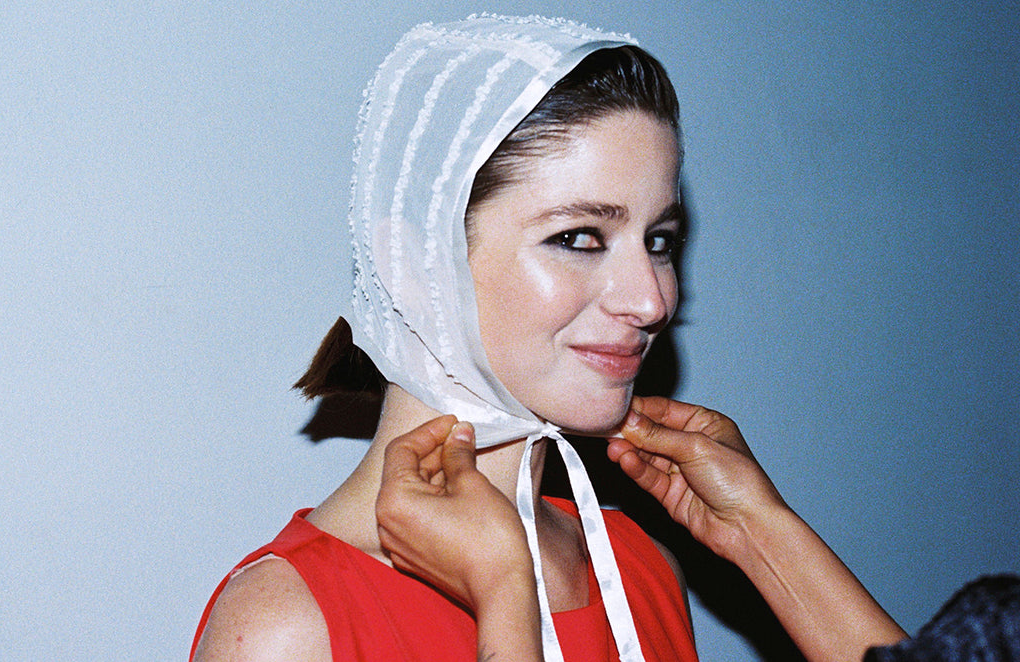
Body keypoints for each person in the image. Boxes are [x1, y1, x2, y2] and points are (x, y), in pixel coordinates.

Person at [190, 14, 905, 662]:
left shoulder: (635, 567)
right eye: (579, 238)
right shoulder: (287, 627)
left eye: (659, 240)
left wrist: (759, 529)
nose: (652, 300)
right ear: (413, 266)